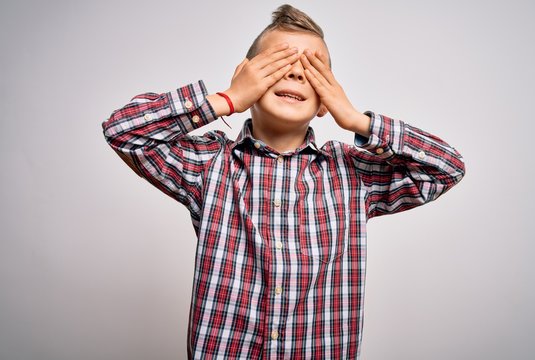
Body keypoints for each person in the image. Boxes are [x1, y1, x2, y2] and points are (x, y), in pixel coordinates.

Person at [102, 4, 465, 359]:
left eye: (312, 69)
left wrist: (357, 120)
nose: (295, 74)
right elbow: (122, 131)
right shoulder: (209, 164)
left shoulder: (353, 173)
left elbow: (447, 167)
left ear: (326, 100)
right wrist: (227, 98)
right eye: (280, 64)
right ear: (246, 75)